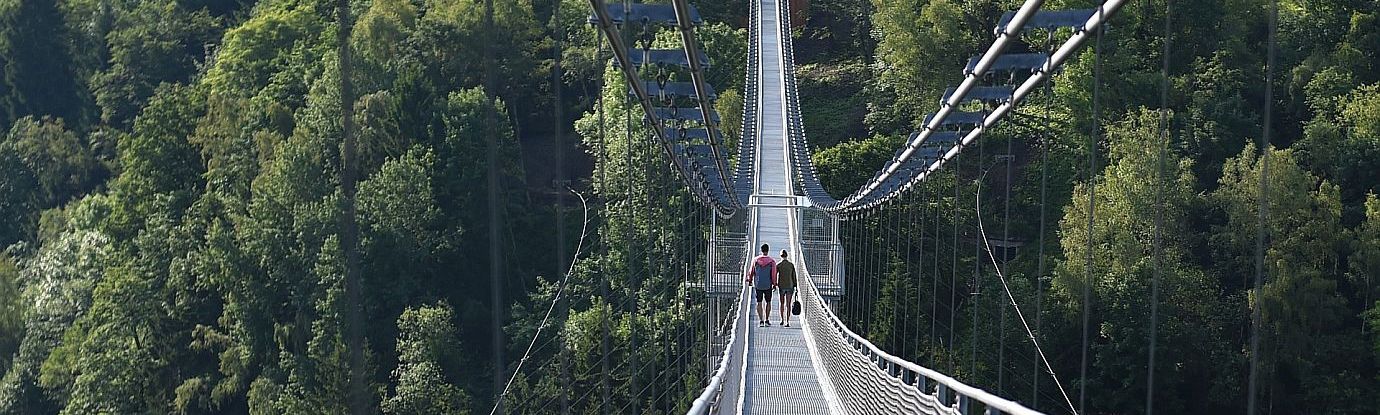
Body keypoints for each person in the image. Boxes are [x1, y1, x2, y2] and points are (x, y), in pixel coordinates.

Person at [746, 243, 777, 327]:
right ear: (768, 250)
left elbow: (751, 270)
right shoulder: (772, 261)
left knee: (759, 302)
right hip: (768, 285)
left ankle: (761, 321)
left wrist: (749, 279)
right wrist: (774, 283)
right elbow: (773, 273)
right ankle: (767, 320)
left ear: (761, 250)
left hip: (758, 284)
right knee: (768, 302)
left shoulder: (755, 260)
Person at [776, 250, 797, 327]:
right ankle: (787, 321)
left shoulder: (779, 265)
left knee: (782, 303)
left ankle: (782, 320)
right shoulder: (791, 265)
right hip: (790, 286)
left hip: (781, 286)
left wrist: (774, 284)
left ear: (781, 256)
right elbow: (794, 276)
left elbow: (774, 275)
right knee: (788, 304)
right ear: (787, 256)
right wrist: (796, 285)